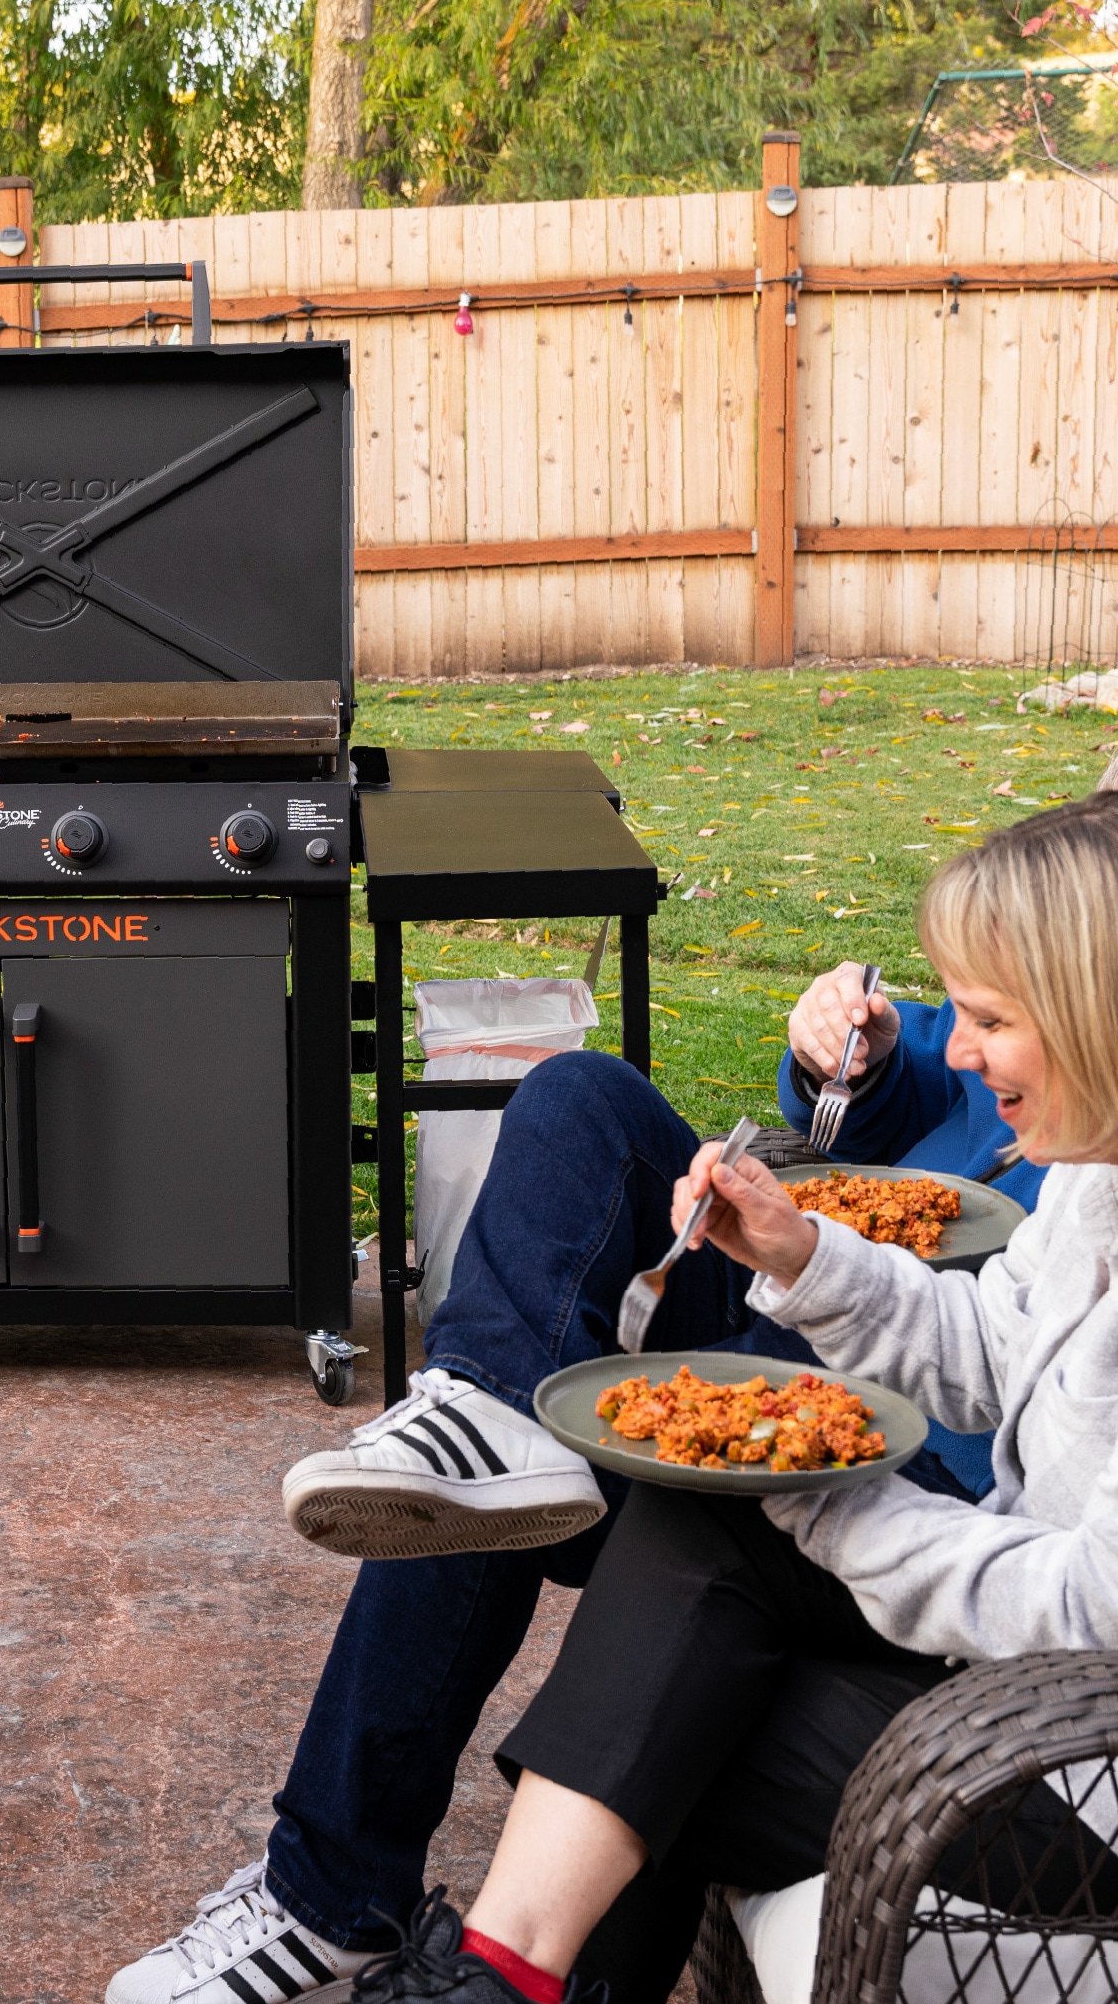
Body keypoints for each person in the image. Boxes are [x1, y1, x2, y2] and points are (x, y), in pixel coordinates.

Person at [107, 810, 1077, 2002]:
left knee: (668, 1593)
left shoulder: (1078, 1132)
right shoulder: (1086, 1148)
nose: (967, 1042)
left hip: (951, 1495)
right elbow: (951, 1165)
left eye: (990, 1016)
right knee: (575, 1105)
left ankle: (368, 1906)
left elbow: (1072, 1569)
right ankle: (478, 1407)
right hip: (864, 1311)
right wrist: (839, 1112)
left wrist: (805, 1492)